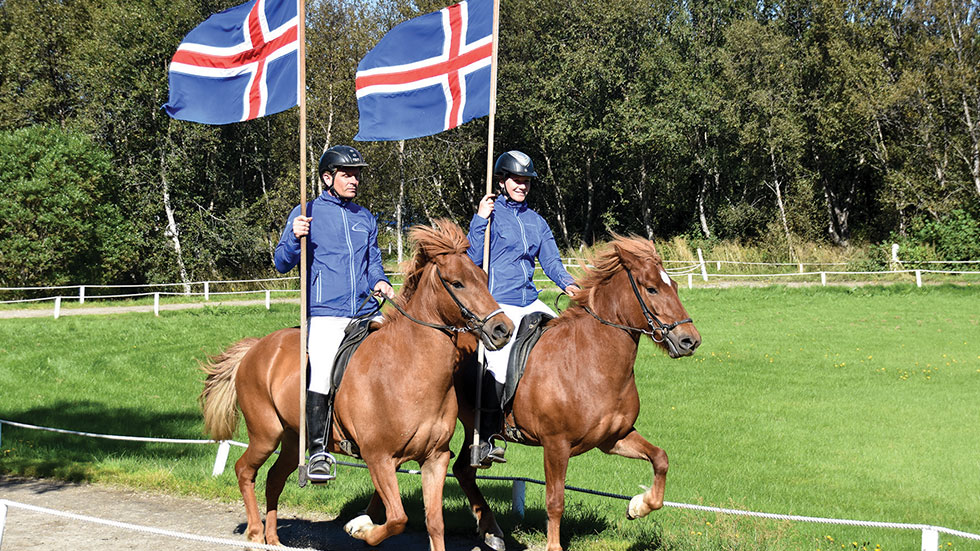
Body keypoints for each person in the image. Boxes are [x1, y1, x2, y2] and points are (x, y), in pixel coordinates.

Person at [274, 144, 395, 483]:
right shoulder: (306, 212)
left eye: (357, 174)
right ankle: (317, 452)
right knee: (323, 371)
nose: (354, 179)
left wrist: (382, 282)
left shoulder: (365, 217)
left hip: (366, 311)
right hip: (327, 313)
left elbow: (373, 265)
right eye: (347, 174)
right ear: (328, 177)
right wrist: (294, 237)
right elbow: (281, 262)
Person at [467, 150, 580, 467]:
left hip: (530, 299)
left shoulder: (537, 221)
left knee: (569, 341)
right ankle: (489, 438)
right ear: (502, 181)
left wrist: (569, 285)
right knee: (500, 365)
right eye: (516, 179)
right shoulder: (489, 217)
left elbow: (552, 262)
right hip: (498, 302)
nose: (522, 185)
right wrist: (479, 219)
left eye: (527, 181)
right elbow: (473, 258)